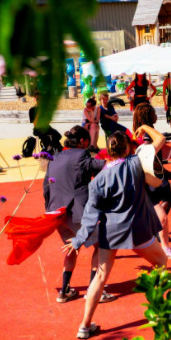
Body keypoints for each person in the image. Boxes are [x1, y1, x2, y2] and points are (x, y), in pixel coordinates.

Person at [68, 130, 168, 339]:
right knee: (160, 262)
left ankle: (84, 326)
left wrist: (78, 240)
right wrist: (145, 127)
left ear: (109, 150)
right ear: (128, 148)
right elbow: (159, 142)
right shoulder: (136, 163)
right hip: (137, 230)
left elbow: (90, 214)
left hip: (110, 231)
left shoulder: (99, 179)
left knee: (101, 276)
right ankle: (158, 312)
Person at [44, 126, 115, 304]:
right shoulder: (82, 155)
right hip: (77, 213)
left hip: (57, 213)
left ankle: (65, 290)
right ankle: (94, 290)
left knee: (71, 247)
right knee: (101, 245)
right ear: (83, 142)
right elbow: (104, 167)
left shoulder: (55, 158)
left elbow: (46, 187)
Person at [133, 103, 171, 260]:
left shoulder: (148, 132)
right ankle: (164, 247)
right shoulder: (149, 137)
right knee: (162, 216)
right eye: (154, 112)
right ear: (149, 115)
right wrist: (165, 174)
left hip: (158, 179)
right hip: (152, 182)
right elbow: (151, 160)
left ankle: (156, 230)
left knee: (170, 198)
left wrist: (166, 174)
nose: (157, 114)